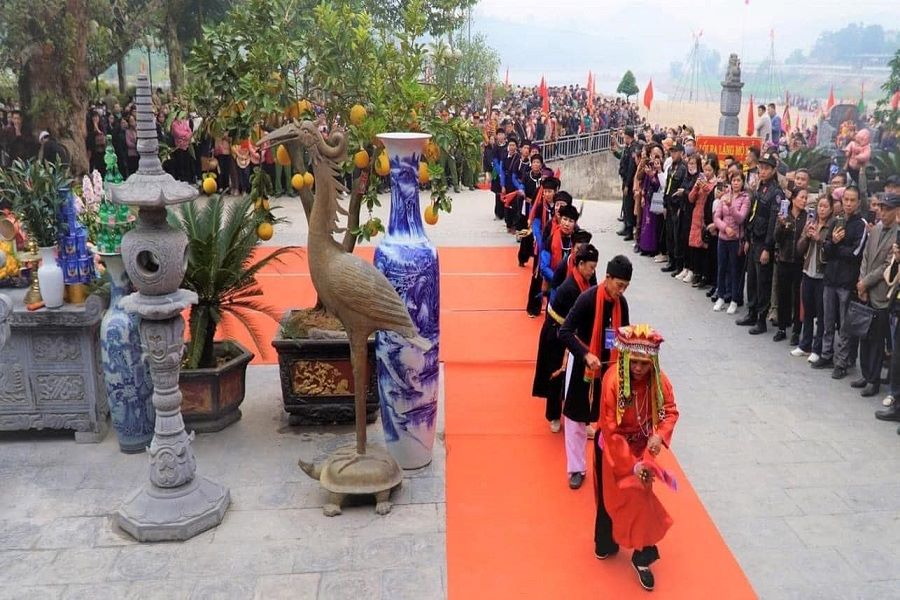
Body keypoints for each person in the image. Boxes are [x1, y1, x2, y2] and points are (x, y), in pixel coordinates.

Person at [593, 324, 679, 592]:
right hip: (612, 447)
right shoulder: (613, 382)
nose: (639, 369)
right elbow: (610, 427)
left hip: (643, 447)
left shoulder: (659, 380)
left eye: (644, 363)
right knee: (610, 500)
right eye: (634, 362)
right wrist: (632, 465)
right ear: (626, 358)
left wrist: (659, 435)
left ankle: (643, 556)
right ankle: (606, 542)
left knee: (642, 497)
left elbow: (669, 411)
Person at [559, 256, 632, 490]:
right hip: (583, 365)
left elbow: (624, 336)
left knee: (612, 420)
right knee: (575, 419)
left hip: (610, 369)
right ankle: (577, 468)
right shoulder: (587, 299)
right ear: (607, 278)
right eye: (618, 285)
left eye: (626, 286)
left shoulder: (623, 304)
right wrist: (585, 354)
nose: (621, 290)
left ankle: (612, 466)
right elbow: (565, 331)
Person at [532, 244, 599, 434]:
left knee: (580, 377)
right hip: (557, 332)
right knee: (556, 375)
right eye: (591, 267)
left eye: (595, 268)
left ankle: (582, 420)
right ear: (580, 264)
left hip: (575, 334)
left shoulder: (589, 279)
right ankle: (553, 415)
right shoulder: (570, 287)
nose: (593, 271)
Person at [811, 186, 867, 375]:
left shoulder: (861, 225)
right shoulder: (836, 220)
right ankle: (827, 354)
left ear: (858, 202)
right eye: (846, 200)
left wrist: (836, 247)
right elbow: (825, 247)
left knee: (844, 325)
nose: (849, 203)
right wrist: (833, 243)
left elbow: (855, 253)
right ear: (841, 202)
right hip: (830, 279)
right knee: (827, 321)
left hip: (846, 282)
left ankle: (842, 363)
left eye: (852, 200)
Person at [852, 191, 899, 396]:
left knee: (878, 339)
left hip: (881, 293)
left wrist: (866, 283)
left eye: (888, 209)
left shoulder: (897, 234)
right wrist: (861, 283)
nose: (883, 213)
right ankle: (865, 374)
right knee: (865, 334)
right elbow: (865, 257)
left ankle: (874, 379)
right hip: (866, 290)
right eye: (881, 208)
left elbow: (887, 267)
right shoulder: (876, 229)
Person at [737, 151, 784, 335]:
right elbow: (753, 215)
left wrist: (767, 248)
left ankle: (761, 319)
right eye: (761, 168)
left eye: (766, 168)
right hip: (754, 239)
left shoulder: (776, 193)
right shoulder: (760, 188)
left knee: (763, 282)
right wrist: (748, 238)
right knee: (753, 281)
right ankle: (751, 312)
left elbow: (773, 223)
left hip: (764, 243)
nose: (762, 172)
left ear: (773, 170)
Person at [793, 195, 833, 363]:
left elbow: (832, 251)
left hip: (822, 276)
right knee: (807, 311)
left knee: (821, 314)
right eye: (820, 206)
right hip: (807, 272)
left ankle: (817, 348)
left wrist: (819, 239)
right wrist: (807, 237)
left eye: (825, 206)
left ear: (831, 209)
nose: (821, 209)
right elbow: (799, 249)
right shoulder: (811, 223)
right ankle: (805, 344)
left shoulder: (831, 226)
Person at [773, 188, 809, 344]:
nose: (804, 200)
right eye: (802, 197)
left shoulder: (807, 217)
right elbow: (777, 238)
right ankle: (782, 328)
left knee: (797, 298)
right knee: (783, 295)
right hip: (784, 260)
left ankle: (796, 331)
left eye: (806, 198)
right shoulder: (784, 214)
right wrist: (782, 226)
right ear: (793, 199)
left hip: (800, 263)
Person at [713, 171, 751, 313]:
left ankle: (735, 299)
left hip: (736, 239)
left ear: (742, 183)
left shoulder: (745, 198)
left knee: (735, 270)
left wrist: (731, 206)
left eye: (738, 180)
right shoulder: (724, 196)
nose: (735, 183)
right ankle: (721, 296)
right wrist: (725, 228)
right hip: (723, 238)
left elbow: (741, 218)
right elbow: (717, 217)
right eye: (733, 180)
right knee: (721, 268)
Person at [613, 127, 638, 241]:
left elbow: (631, 168)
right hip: (625, 179)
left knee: (629, 205)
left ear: (629, 136)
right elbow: (623, 160)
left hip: (629, 181)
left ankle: (629, 229)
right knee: (625, 205)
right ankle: (626, 227)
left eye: (625, 137)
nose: (624, 138)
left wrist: (628, 185)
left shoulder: (633, 148)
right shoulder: (628, 147)